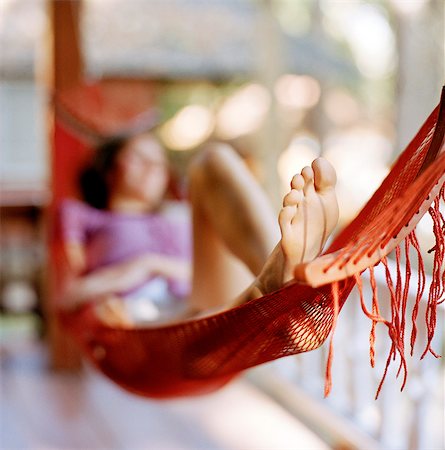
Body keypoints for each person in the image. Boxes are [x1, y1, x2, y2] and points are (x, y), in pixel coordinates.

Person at [60, 131, 339, 326]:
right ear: (109, 168)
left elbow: (204, 270)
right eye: (138, 158)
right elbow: (66, 296)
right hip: (145, 320)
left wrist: (154, 264)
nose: (152, 167)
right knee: (198, 315)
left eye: (159, 162)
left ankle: (278, 274)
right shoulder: (85, 217)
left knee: (211, 160)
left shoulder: (179, 216)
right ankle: (274, 288)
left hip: (206, 302)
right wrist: (138, 271)